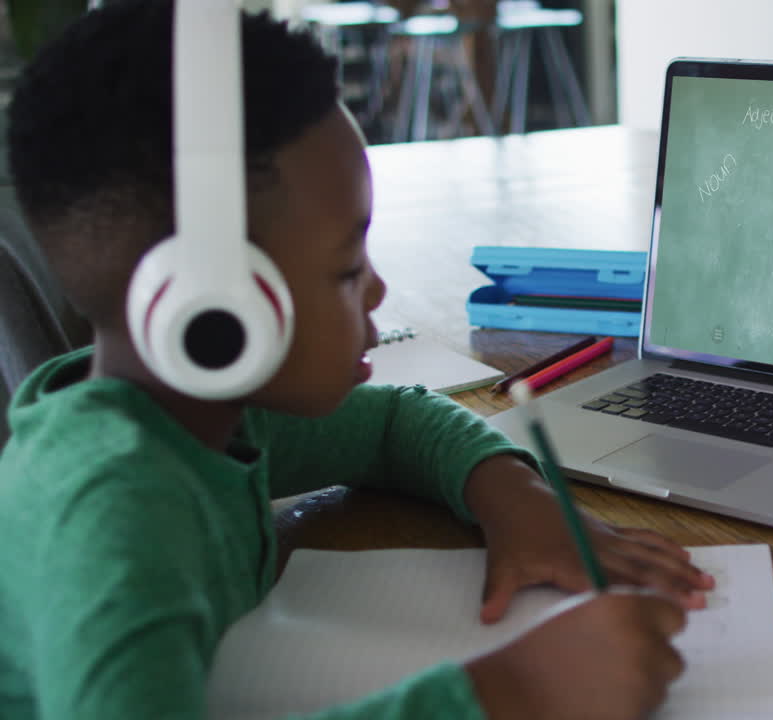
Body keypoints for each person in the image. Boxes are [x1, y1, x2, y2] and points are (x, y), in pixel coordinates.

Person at [0, 2, 712, 719]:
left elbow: (392, 422)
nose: (376, 288)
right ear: (215, 312)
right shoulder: (113, 519)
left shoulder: (203, 418)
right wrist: (510, 693)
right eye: (346, 269)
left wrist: (517, 501)